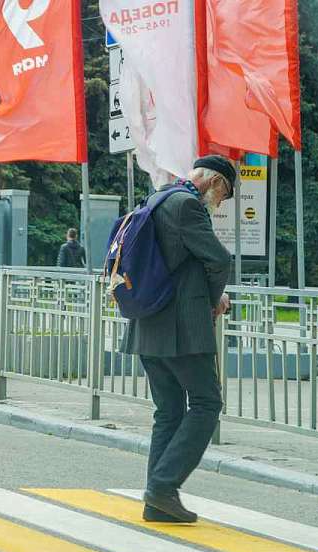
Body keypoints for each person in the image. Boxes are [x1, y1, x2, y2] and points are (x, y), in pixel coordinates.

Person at [123, 155, 233, 523]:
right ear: (214, 181)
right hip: (181, 326)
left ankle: (157, 500)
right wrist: (214, 300)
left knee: (169, 411)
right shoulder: (187, 204)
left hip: (148, 321)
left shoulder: (158, 197)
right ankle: (163, 487)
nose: (219, 203)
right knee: (206, 403)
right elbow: (219, 259)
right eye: (224, 194)